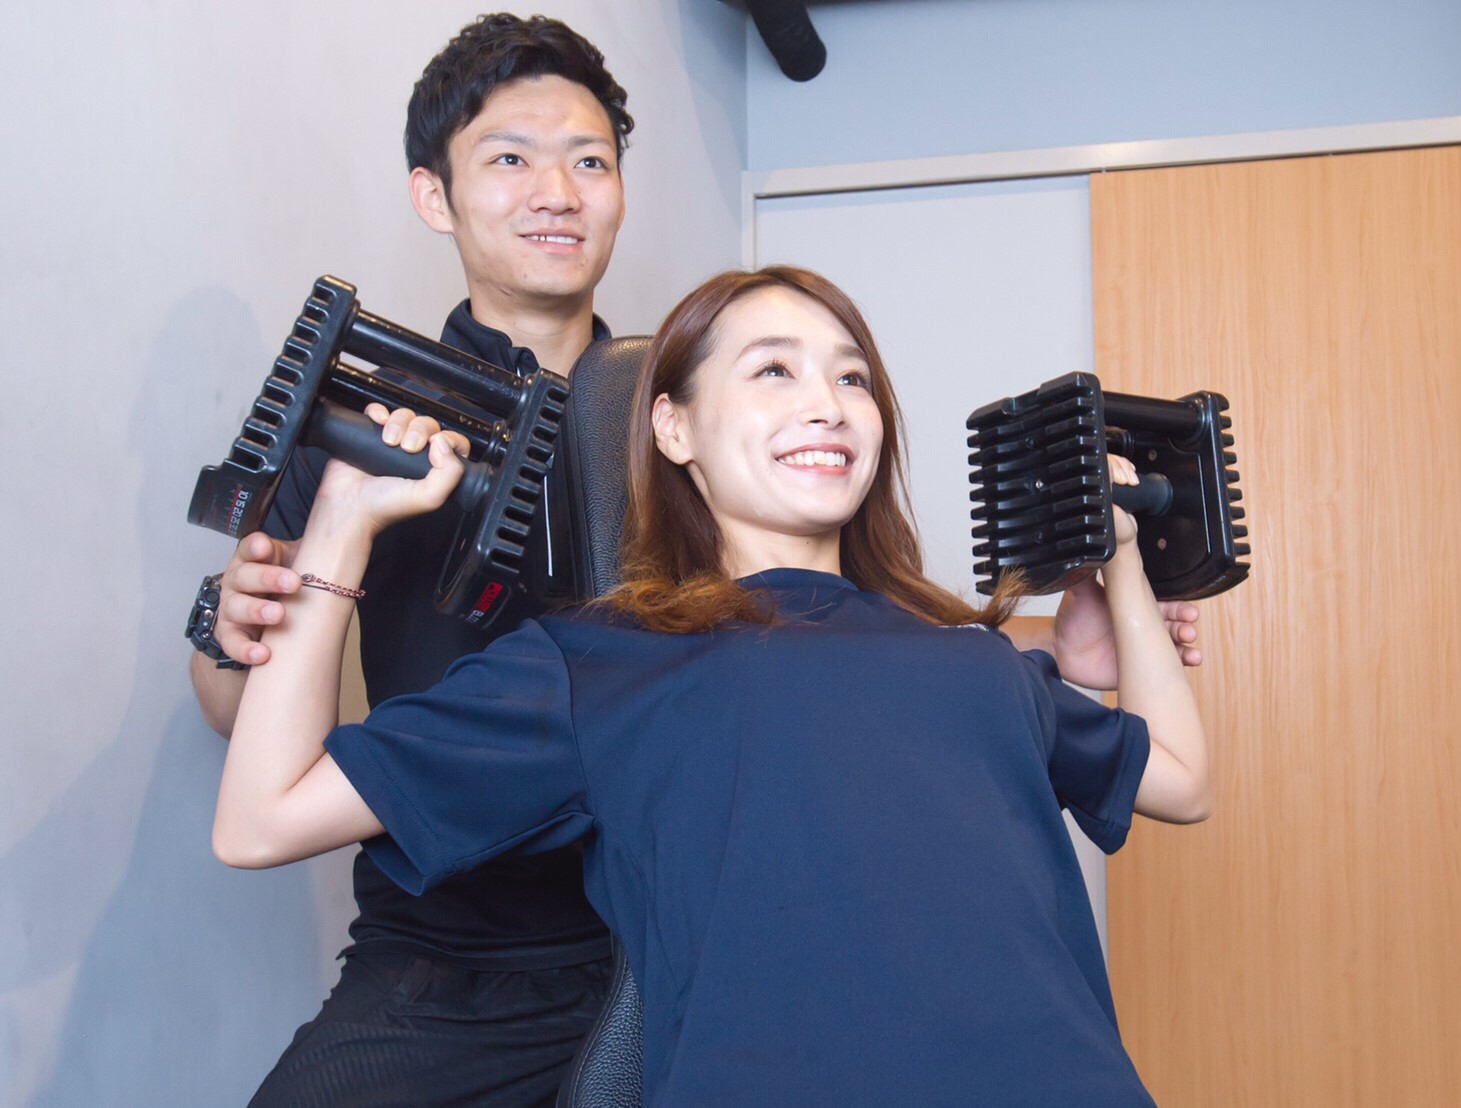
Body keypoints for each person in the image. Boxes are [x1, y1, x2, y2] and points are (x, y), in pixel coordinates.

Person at [212, 266, 1212, 1106]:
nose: (827, 403)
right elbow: (261, 818)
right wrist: (340, 523)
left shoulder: (972, 658)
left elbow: (1179, 778)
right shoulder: (603, 665)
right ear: (672, 427)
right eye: (774, 369)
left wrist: (1122, 564)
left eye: (852, 377)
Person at [187, 15, 631, 1105]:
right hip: (449, 955)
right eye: (510, 160)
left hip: (667, 929)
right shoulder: (364, 422)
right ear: (435, 196)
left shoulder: (676, 420)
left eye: (589, 162)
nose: (557, 193)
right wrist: (234, 631)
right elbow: (229, 706)